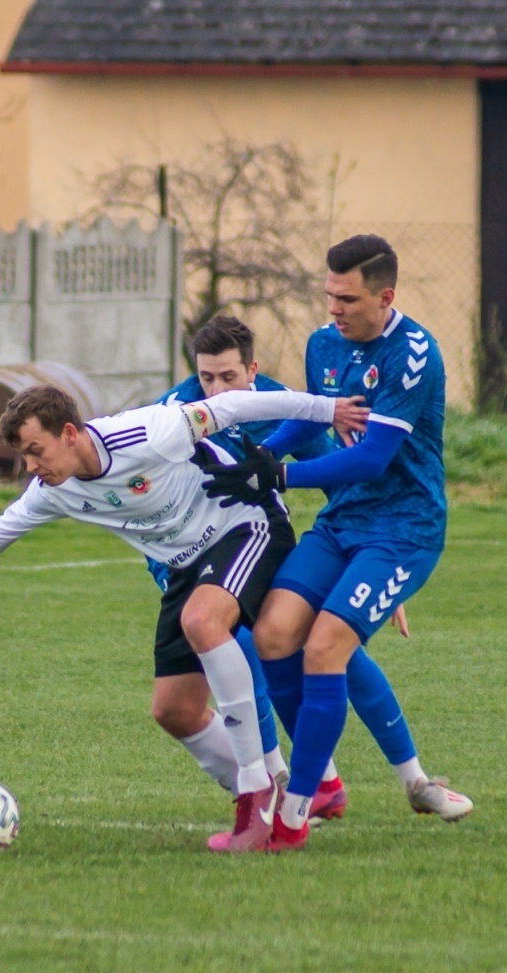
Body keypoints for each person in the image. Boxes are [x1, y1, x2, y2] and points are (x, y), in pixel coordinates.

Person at [0, 383, 366, 852]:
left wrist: (327, 408)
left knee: (203, 621)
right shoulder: (52, 491)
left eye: (36, 451)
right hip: (187, 565)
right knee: (174, 710)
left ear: (69, 433)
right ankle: (260, 794)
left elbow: (230, 407)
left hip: (243, 524)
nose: (30, 466)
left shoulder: (148, 432)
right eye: (23, 456)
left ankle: (258, 792)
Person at [205, 234, 473, 852]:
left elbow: (375, 458)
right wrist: (262, 454)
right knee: (273, 636)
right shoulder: (324, 343)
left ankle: (293, 816)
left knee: (325, 647)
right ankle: (322, 785)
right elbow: (315, 415)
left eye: (348, 299)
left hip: (403, 528)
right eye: (328, 295)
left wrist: (280, 474)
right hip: (342, 523)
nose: (335, 309)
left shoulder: (413, 353)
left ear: (385, 297)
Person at [153, 315, 410, 824]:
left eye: (229, 377)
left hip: (263, 542)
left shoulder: (286, 404)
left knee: (335, 651)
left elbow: (340, 478)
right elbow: (153, 499)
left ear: (253, 370)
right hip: (195, 557)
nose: (217, 390)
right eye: (207, 377)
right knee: (242, 649)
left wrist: (375, 558)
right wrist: (167, 572)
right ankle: (287, 780)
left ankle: (405, 776)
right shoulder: (177, 412)